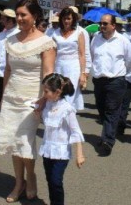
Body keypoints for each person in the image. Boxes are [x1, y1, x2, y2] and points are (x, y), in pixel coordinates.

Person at [0, 0, 56, 202]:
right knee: (13, 141)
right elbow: (8, 70)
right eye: (17, 14)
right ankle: (18, 182)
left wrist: (44, 101)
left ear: (35, 16)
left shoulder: (46, 42)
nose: (19, 18)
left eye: (24, 15)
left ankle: (31, 177)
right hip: (11, 97)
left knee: (24, 141)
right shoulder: (10, 40)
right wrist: (2, 97)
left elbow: (48, 74)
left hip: (32, 100)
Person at [38, 73, 86, 205]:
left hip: (61, 153)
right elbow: (45, 122)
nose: (44, 93)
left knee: (56, 181)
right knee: (50, 180)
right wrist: (37, 112)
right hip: (47, 149)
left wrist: (79, 154)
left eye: (46, 91)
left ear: (57, 92)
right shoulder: (48, 104)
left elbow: (76, 131)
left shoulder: (67, 109)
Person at [90, 14, 131, 157]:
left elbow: (130, 60)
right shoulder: (95, 38)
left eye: (105, 24)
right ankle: (106, 134)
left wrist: (122, 74)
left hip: (116, 81)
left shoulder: (123, 41)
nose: (102, 26)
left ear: (113, 25)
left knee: (112, 111)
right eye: (101, 24)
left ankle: (108, 141)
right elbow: (91, 56)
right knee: (101, 110)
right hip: (99, 80)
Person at [52, 7, 87, 111]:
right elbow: (53, 52)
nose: (66, 21)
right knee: (59, 92)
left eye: (68, 18)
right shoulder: (55, 33)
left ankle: (68, 118)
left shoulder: (79, 33)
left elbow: (82, 54)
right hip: (58, 66)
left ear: (73, 20)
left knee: (69, 95)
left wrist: (83, 74)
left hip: (73, 67)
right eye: (64, 18)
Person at [0, 8, 20, 114]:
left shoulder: (19, 34)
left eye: (3, 18)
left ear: (10, 20)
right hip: (0, 71)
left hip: (13, 72)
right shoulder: (0, 35)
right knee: (0, 95)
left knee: (11, 96)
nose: (0, 20)